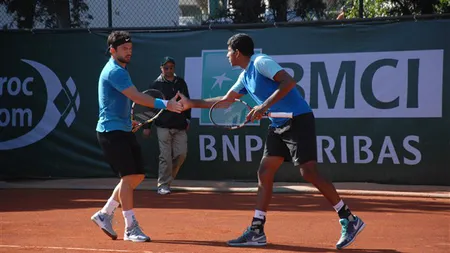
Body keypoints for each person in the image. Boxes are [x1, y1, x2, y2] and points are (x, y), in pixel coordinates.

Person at [177, 33, 365, 249]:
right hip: (278, 125)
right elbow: (225, 101)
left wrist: (263, 106)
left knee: (308, 171)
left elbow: (288, 81)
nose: (227, 56)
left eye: (228, 52)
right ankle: (257, 230)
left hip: (297, 119)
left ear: (237, 52)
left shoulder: (261, 62)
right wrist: (191, 103)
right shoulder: (245, 76)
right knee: (265, 172)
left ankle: (349, 219)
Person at [91, 31, 183, 243]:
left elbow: (120, 101)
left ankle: (105, 213)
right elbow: (136, 97)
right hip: (110, 132)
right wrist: (166, 104)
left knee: (137, 175)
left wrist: (127, 122)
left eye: (130, 49)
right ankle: (130, 227)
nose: (129, 52)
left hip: (121, 128)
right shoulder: (115, 71)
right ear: (112, 50)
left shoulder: (122, 69)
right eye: (124, 49)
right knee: (128, 177)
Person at [143, 57, 191, 195]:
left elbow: (187, 101)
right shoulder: (155, 84)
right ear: (161, 69)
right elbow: (150, 107)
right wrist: (147, 126)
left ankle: (168, 178)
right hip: (163, 125)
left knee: (181, 154)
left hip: (180, 124)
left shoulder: (181, 82)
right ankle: (163, 185)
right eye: (166, 68)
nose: (169, 70)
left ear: (174, 68)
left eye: (171, 67)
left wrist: (188, 119)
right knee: (165, 156)